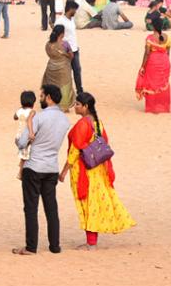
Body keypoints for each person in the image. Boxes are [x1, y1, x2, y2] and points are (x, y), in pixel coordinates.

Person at [58, 91, 135, 251]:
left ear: (85, 107)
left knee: (87, 203)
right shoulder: (98, 123)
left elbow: (75, 150)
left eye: (78, 104)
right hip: (98, 169)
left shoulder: (82, 124)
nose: (75, 107)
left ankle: (91, 242)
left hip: (84, 171)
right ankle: (92, 241)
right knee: (96, 202)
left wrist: (64, 171)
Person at [14, 85, 71, 257]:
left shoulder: (39, 117)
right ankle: (55, 245)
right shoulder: (64, 120)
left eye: (42, 95)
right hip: (51, 167)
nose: (40, 98)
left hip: (34, 166)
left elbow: (22, 142)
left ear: (49, 98)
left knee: (31, 208)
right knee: (51, 207)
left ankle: (31, 247)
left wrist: (21, 140)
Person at [135, 16, 171, 114]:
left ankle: (152, 107)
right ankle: (163, 107)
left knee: (152, 84)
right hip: (165, 62)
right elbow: (168, 53)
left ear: (153, 27)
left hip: (153, 62)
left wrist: (142, 66)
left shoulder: (149, 38)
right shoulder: (168, 38)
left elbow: (147, 53)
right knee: (163, 84)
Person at [42, 25, 75, 111]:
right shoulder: (65, 44)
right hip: (63, 68)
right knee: (64, 86)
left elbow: (49, 54)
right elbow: (71, 56)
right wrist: (65, 55)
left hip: (51, 67)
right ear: (62, 34)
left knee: (52, 86)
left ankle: (50, 103)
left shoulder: (48, 44)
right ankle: (64, 106)